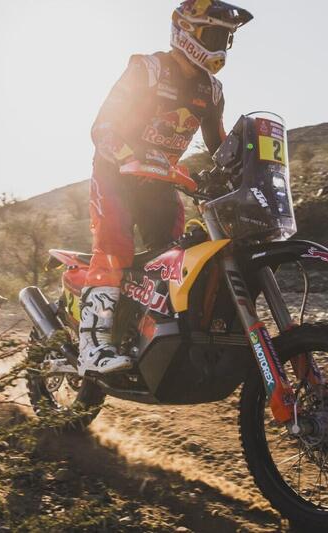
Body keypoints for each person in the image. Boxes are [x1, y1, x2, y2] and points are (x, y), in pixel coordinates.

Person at [78, 0, 253, 376]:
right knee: (114, 248)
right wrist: (130, 157)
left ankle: (149, 340)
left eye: (226, 38)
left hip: (161, 183)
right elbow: (102, 127)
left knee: (170, 260)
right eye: (214, 35)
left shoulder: (211, 90)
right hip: (115, 174)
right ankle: (92, 345)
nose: (221, 45)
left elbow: (219, 147)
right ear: (186, 31)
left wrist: (247, 172)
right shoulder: (148, 69)